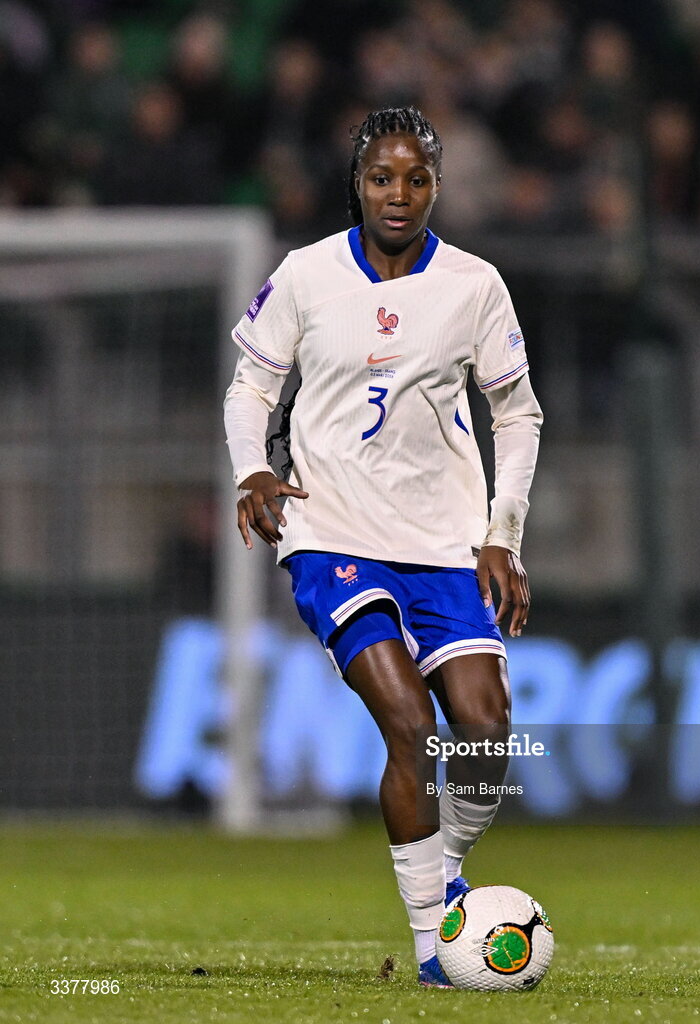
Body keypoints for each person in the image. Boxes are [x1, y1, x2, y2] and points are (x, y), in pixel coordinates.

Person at [223, 106, 542, 988]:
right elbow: (251, 388)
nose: (398, 195)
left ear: (437, 185)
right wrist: (253, 470)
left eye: (416, 179)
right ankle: (435, 943)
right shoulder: (305, 276)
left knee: (483, 732)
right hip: (331, 533)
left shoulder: (475, 285)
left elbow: (516, 414)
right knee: (411, 725)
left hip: (444, 538)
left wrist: (499, 535)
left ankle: (446, 879)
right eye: (380, 178)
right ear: (355, 184)